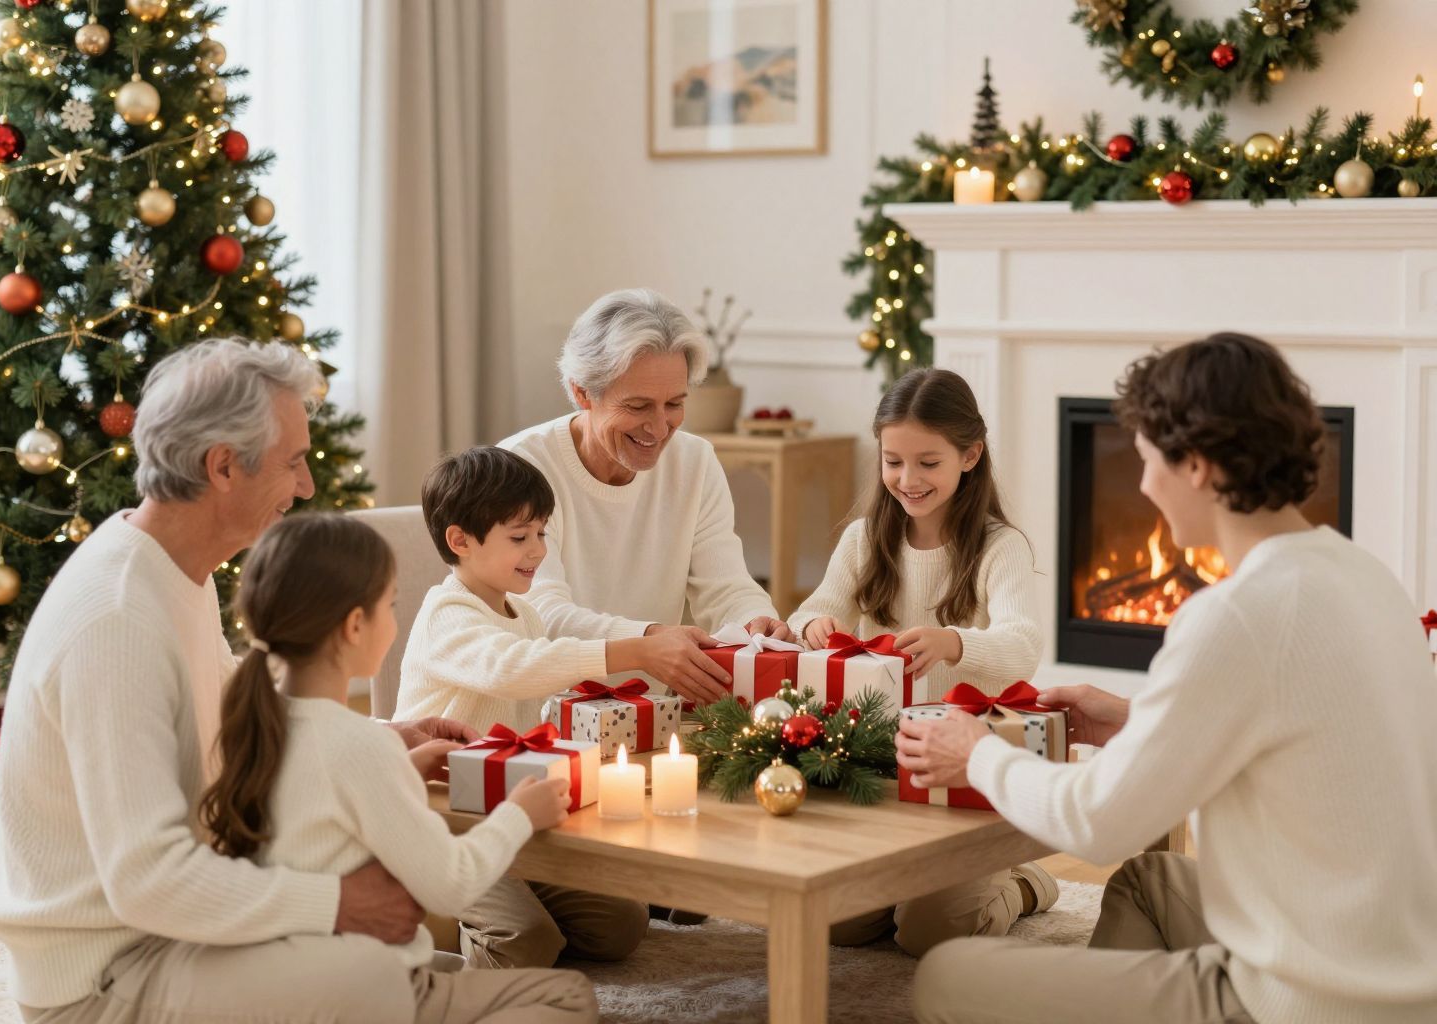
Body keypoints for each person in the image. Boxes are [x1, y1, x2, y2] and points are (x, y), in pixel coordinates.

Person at [900, 333, 1437, 1024]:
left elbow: (1095, 822)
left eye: (1149, 461)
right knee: (1151, 883)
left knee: (948, 975)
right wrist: (1137, 719)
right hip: (1404, 970)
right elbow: (1304, 736)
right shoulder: (1367, 578)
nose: (1145, 484)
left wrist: (978, 753)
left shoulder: (1235, 615)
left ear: (1198, 466)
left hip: (1305, 1002)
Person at [0, 338, 475, 1023]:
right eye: (293, 462)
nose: (305, 487)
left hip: (162, 942)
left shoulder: (174, 565)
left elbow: (222, 703)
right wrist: (338, 905)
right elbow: (148, 879)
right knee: (383, 973)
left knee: (425, 965)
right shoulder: (118, 618)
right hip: (105, 982)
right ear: (222, 468)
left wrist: (371, 738)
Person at [200, 513, 596, 1022]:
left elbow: (323, 814)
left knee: (456, 968)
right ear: (355, 626)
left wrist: (404, 768)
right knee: (571, 997)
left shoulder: (259, 725)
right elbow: (450, 884)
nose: (395, 622)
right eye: (390, 606)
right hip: (363, 994)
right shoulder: (361, 744)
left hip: (290, 982)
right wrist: (520, 813)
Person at [787, 367, 1056, 956]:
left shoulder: (999, 547)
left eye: (928, 463)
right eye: (893, 461)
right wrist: (812, 625)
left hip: (962, 772)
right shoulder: (863, 539)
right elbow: (810, 610)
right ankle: (911, 890)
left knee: (930, 936)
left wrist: (954, 642)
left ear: (970, 455)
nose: (907, 480)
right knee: (837, 925)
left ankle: (1024, 883)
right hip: (878, 770)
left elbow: (1023, 645)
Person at [498, 287, 794, 709]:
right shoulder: (521, 467)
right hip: (537, 721)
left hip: (650, 716)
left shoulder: (695, 462)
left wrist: (756, 622)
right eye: (638, 406)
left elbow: (725, 587)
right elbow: (539, 615)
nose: (659, 428)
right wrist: (647, 640)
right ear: (582, 391)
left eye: (674, 403)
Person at [397, 446, 719, 732]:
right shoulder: (446, 614)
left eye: (542, 534)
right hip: (434, 785)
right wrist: (639, 650)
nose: (538, 551)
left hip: (498, 779)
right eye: (520, 537)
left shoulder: (525, 615)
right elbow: (512, 669)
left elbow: (542, 689)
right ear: (460, 541)